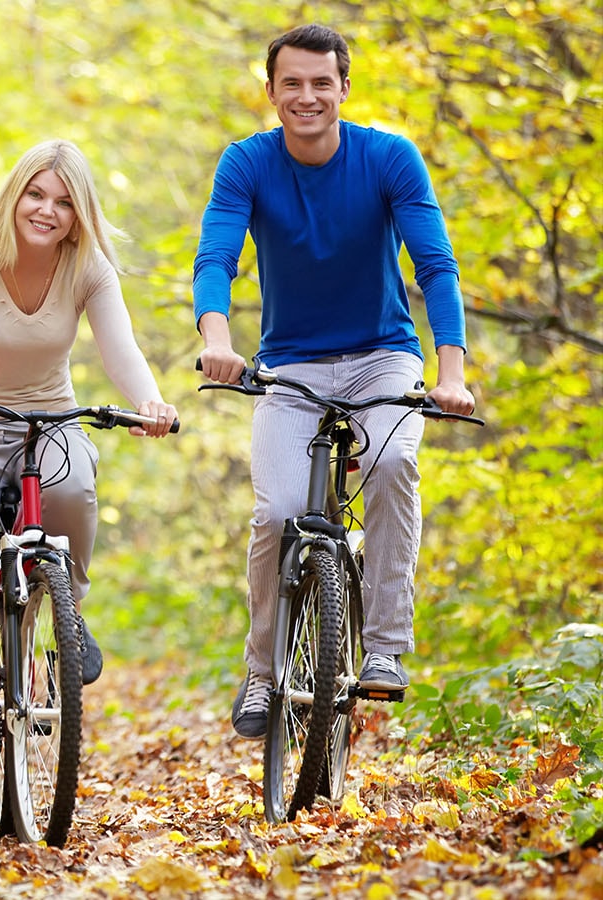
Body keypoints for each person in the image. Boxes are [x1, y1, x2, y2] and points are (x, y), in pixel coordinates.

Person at [192, 24, 476, 741]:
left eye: (322, 82)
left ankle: (383, 645)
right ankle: (262, 670)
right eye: (293, 83)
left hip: (383, 354)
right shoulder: (247, 164)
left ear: (345, 88)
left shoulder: (389, 158)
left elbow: (434, 266)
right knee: (275, 511)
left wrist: (451, 375)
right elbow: (216, 257)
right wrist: (218, 343)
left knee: (392, 461)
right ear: (272, 91)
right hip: (291, 364)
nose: (307, 96)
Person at [0, 140, 178, 813]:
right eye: (36, 195)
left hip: (51, 424)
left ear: (80, 214)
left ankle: (65, 620)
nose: (46, 211)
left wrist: (150, 402)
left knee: (75, 488)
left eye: (63, 201)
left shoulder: (89, 270)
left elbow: (121, 350)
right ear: (13, 196)